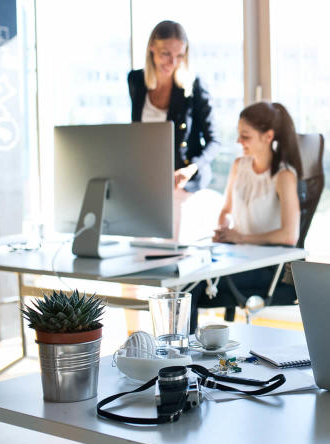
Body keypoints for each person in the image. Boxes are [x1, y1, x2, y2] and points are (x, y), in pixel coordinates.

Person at [189, 101, 303, 332]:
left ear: (267, 136)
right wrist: (223, 230)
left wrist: (240, 238)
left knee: (191, 288)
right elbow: (226, 210)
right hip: (236, 258)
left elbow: (289, 235)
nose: (239, 141)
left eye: (245, 136)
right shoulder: (239, 165)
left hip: (268, 267)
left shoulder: (283, 176)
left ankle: (180, 358)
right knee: (186, 278)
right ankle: (179, 355)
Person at [127, 20, 220, 240]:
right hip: (148, 176)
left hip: (183, 177)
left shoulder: (193, 86)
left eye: (180, 56)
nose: (173, 62)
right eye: (165, 54)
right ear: (151, 48)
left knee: (172, 247)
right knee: (140, 244)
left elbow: (214, 141)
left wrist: (191, 169)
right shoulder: (136, 81)